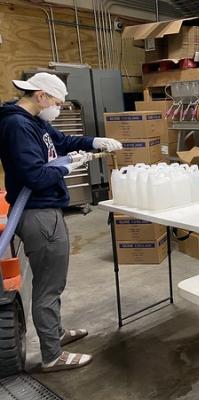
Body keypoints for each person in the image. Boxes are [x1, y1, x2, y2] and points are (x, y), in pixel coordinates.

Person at [0, 72, 122, 372]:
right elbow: (35, 176)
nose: (58, 108)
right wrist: (67, 168)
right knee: (48, 286)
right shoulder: (17, 125)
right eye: (56, 102)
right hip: (39, 213)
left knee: (54, 280)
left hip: (47, 210)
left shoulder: (35, 122)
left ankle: (54, 333)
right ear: (40, 96)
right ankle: (52, 355)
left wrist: (94, 142)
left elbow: (61, 141)